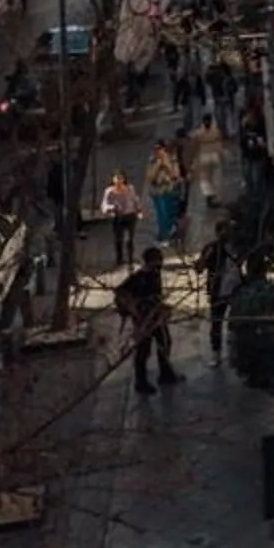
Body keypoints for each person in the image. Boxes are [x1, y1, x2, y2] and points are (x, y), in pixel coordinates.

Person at [116, 244, 179, 391]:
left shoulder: (155, 274)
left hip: (156, 316)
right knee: (143, 349)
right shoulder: (138, 277)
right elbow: (120, 293)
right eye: (157, 261)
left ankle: (165, 373)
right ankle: (141, 381)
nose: (160, 265)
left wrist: (163, 307)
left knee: (164, 342)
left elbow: (155, 295)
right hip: (143, 319)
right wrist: (134, 308)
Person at [198, 222, 245, 360]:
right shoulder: (212, 248)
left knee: (236, 320)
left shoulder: (238, 247)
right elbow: (200, 267)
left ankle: (234, 350)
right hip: (218, 291)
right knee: (216, 322)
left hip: (236, 288)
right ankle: (216, 352)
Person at [146, 140, 184, 244]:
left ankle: (171, 233)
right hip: (157, 191)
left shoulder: (172, 159)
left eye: (160, 148)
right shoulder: (152, 160)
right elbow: (150, 177)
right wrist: (158, 164)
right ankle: (164, 235)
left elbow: (175, 175)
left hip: (170, 190)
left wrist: (167, 163)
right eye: (155, 149)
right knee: (161, 214)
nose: (158, 151)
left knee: (170, 213)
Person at [101, 168, 141, 267]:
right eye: (116, 178)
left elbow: (135, 200)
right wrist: (111, 208)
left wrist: (139, 210)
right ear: (113, 180)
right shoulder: (109, 191)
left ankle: (130, 258)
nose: (119, 181)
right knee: (118, 238)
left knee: (130, 238)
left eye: (120, 178)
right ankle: (119, 259)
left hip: (130, 215)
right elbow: (104, 205)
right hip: (117, 217)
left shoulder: (130, 188)